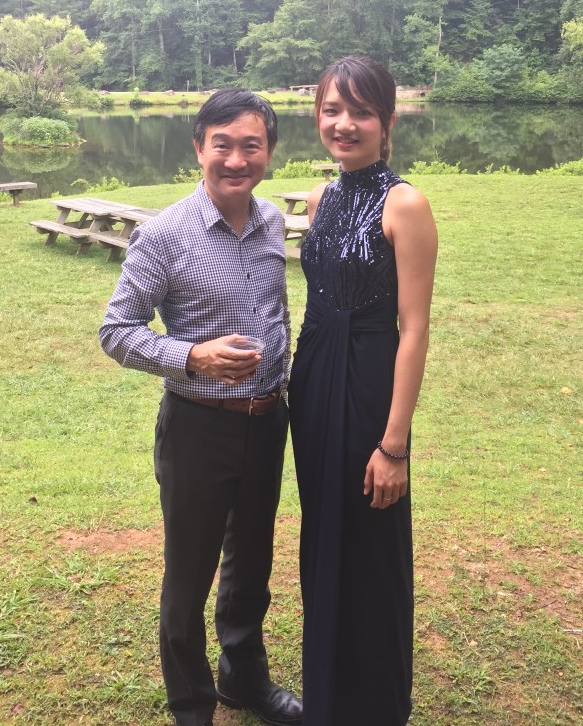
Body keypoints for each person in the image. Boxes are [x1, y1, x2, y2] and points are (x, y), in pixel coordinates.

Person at [100, 89, 302, 726]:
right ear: (198, 148)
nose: (236, 160)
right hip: (197, 428)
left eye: (251, 146)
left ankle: (243, 680)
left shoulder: (271, 221)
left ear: (269, 151)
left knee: (252, 565)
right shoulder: (163, 235)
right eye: (223, 145)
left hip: (267, 421)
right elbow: (116, 331)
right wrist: (193, 356)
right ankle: (192, 707)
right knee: (189, 574)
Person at [288, 57, 438, 726]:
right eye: (331, 110)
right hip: (313, 381)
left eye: (360, 112)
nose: (343, 124)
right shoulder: (320, 199)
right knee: (322, 534)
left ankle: (374, 707)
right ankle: (327, 697)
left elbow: (415, 327)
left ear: (387, 121)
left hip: (369, 385)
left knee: (370, 544)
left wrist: (395, 443)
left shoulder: (404, 203)